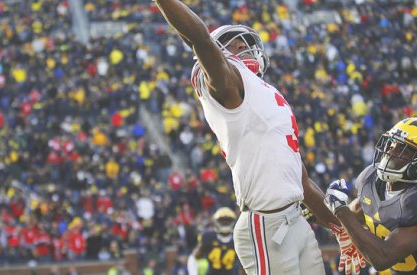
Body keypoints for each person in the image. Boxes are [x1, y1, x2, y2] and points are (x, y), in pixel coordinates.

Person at [153, 1, 364, 274]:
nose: (241, 46)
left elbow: (301, 181)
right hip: (266, 223)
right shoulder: (229, 86)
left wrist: (340, 228)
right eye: (230, 44)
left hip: (296, 220)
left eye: (243, 43)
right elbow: (199, 38)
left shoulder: (268, 96)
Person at [324, 117, 417, 274]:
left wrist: (340, 211)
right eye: (393, 142)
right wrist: (311, 201)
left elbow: (382, 258)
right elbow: (340, 221)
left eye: (403, 149)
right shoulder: (372, 182)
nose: (391, 150)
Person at [188, 207, 241, 275]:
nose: (225, 223)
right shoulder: (208, 237)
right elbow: (193, 258)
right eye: (222, 221)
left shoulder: (238, 239)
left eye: (228, 221)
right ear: (215, 221)